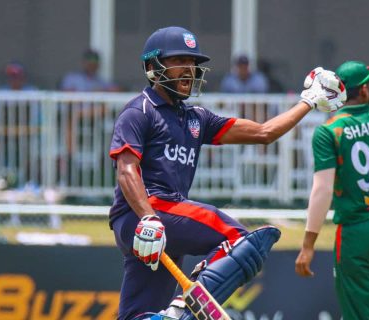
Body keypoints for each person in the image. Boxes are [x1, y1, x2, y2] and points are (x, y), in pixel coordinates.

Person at [109, 25, 345, 320]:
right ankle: (186, 310)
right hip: (144, 213)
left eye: (193, 63)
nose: (189, 70)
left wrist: (307, 101)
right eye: (179, 61)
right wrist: (148, 218)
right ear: (153, 66)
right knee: (236, 238)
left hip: (162, 222)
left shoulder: (197, 117)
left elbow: (264, 133)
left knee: (140, 315)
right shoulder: (139, 111)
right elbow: (127, 170)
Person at [295, 61, 369, 320]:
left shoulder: (329, 131)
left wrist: (308, 244)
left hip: (356, 230)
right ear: (363, 91)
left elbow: (322, 190)